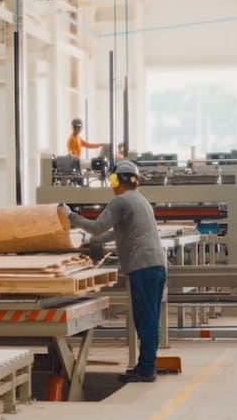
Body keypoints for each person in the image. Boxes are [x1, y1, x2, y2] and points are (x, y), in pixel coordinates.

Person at [63, 160, 167, 382]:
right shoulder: (140, 201)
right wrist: (86, 240)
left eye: (112, 179)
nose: (112, 185)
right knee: (149, 318)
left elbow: (98, 226)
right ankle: (145, 365)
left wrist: (70, 216)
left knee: (145, 319)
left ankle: (147, 370)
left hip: (143, 266)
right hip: (155, 265)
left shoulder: (120, 201)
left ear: (118, 180)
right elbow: (116, 233)